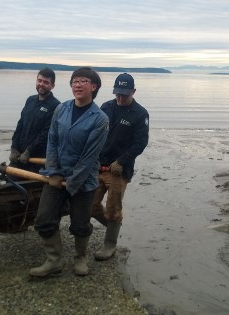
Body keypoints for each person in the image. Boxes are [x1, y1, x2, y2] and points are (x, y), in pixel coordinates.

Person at [29, 67, 109, 277]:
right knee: (44, 219)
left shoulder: (100, 119)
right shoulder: (61, 109)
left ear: (94, 87)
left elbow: (89, 157)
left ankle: (80, 257)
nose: (78, 84)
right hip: (56, 175)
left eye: (83, 81)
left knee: (80, 224)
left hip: (84, 181)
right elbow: (52, 141)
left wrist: (73, 182)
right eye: (75, 81)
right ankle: (53, 261)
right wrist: (54, 172)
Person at [91, 73, 149, 260]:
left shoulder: (140, 114)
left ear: (133, 91)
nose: (120, 98)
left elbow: (140, 143)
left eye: (125, 94)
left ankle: (110, 244)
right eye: (118, 93)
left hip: (118, 170)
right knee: (90, 205)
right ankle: (111, 227)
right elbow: (95, 133)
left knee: (113, 208)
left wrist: (121, 161)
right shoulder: (106, 107)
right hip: (98, 165)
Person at [9, 68, 60, 175]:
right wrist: (14, 147)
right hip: (19, 155)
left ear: (53, 86)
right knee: (10, 185)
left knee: (30, 189)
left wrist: (29, 151)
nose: (41, 84)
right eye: (39, 80)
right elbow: (20, 125)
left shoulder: (56, 106)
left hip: (37, 159)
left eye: (46, 82)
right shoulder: (30, 100)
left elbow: (45, 134)